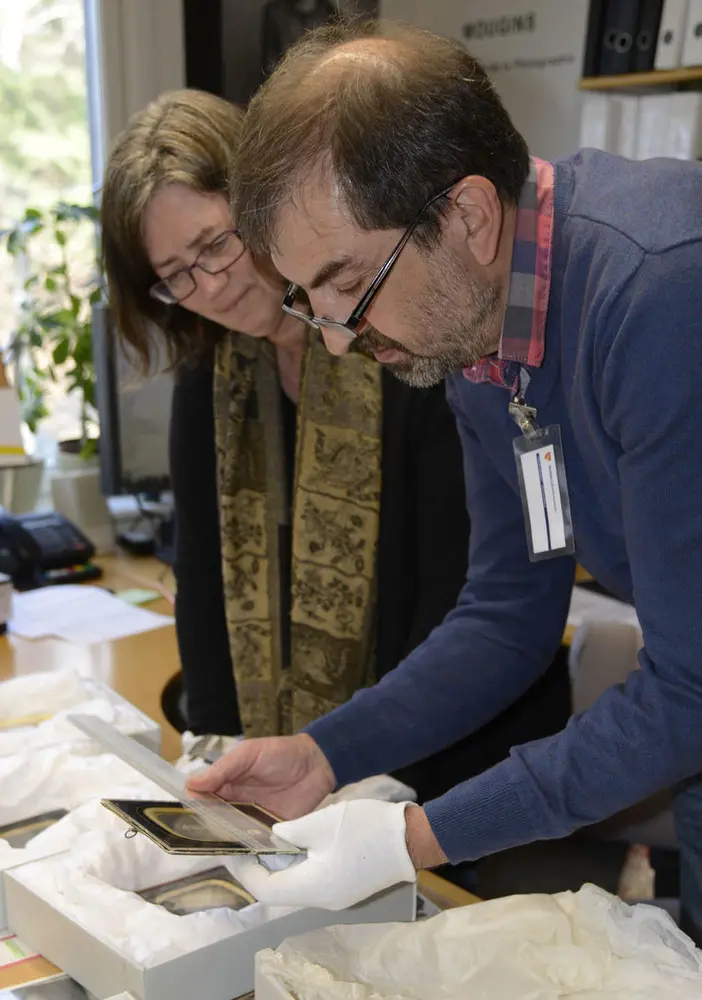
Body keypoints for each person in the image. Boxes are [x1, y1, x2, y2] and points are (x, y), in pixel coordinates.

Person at [187, 18, 702, 938]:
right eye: (312, 299)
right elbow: (509, 612)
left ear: (466, 214)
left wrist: (413, 839)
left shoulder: (659, 294)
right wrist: (323, 753)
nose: (339, 337)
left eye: (351, 284)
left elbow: (691, 690)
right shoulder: (473, 332)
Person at [100, 89, 569, 804]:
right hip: (306, 774)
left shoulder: (404, 339)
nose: (211, 286)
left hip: (452, 757)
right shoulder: (212, 377)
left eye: (216, 244)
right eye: (175, 277)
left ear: (267, 204)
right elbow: (203, 584)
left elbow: (459, 597)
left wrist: (367, 776)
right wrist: (224, 760)